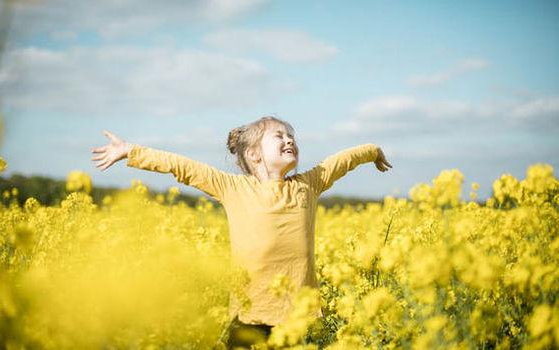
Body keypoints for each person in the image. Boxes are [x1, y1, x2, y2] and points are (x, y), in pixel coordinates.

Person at [91, 116, 392, 348]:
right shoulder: (232, 187)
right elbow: (183, 166)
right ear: (254, 154)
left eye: (291, 136)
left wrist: (373, 151)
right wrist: (131, 151)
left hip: (298, 315)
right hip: (249, 315)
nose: (289, 140)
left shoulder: (308, 184)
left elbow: (342, 161)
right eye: (279, 136)